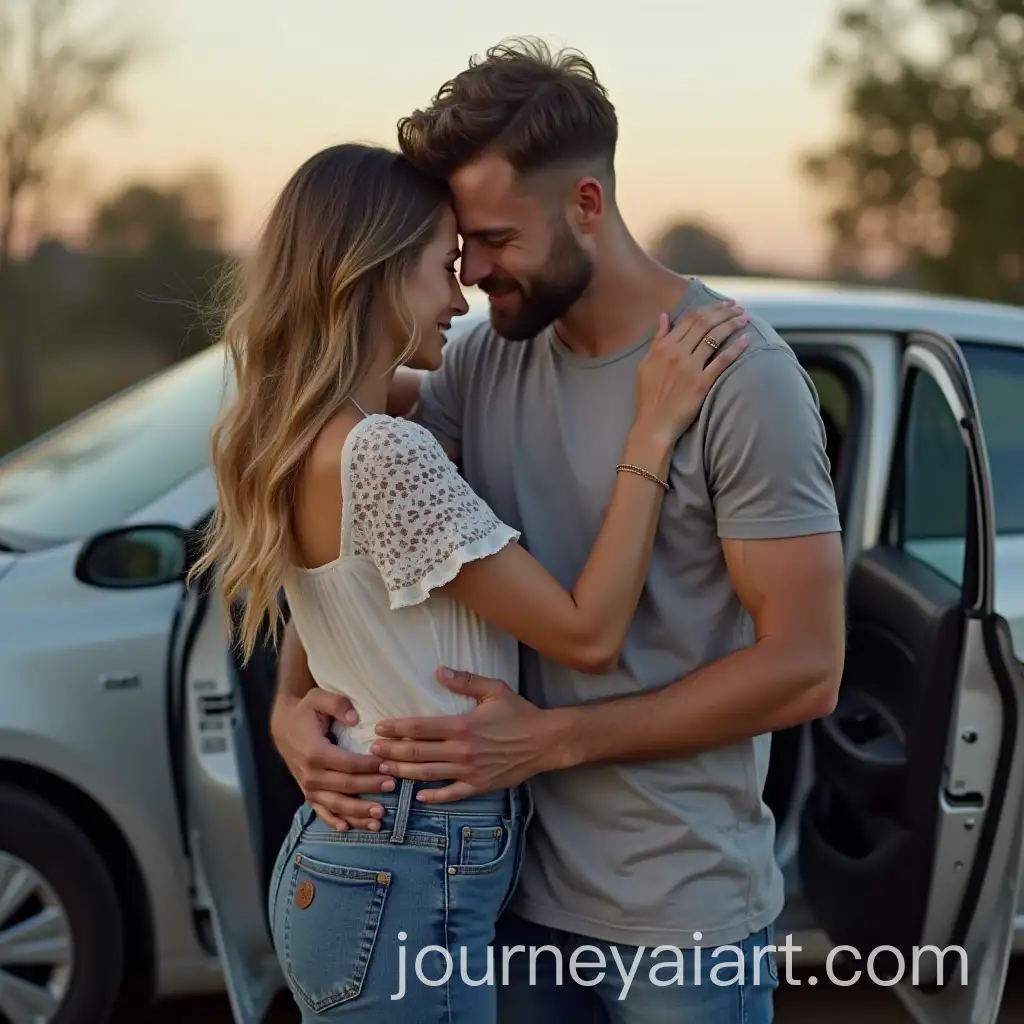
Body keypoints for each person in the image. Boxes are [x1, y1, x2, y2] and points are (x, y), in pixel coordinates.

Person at [271, 39, 846, 1024]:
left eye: (493, 238)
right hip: (503, 899)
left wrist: (549, 741)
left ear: (585, 204)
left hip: (675, 916)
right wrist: (293, 708)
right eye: (457, 249)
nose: (474, 273)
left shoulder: (737, 380)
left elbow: (805, 666)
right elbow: (376, 545)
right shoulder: (487, 360)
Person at [189, 140, 748, 1023]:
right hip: (409, 859)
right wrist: (652, 433)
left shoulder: (295, 430)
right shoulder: (382, 451)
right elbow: (588, 633)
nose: (460, 297)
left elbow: (352, 595)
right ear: (369, 274)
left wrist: (289, 702)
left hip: (361, 857)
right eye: (438, 269)